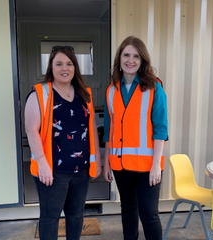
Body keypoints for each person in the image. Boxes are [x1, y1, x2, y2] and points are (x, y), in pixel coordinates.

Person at [25, 45, 102, 240]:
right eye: (58, 64)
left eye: (69, 63)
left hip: (81, 169)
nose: (64, 68)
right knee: (51, 217)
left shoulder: (84, 94)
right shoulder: (40, 93)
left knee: (76, 215)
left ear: (75, 67)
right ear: (51, 67)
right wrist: (42, 163)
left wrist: (97, 161)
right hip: (52, 171)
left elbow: (92, 128)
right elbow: (31, 130)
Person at [103, 36, 168, 240]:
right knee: (128, 209)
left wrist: (156, 164)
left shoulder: (154, 87)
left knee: (149, 214)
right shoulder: (111, 90)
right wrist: (106, 164)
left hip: (148, 165)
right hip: (120, 165)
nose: (130, 60)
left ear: (142, 60)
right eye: (126, 55)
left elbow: (161, 129)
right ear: (119, 58)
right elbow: (108, 130)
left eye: (136, 56)